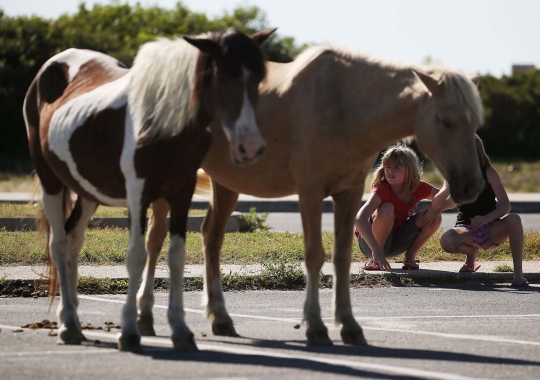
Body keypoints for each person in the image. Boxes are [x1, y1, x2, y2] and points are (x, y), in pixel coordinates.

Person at [434, 135, 529, 287]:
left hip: (491, 228)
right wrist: (446, 188)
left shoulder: (489, 172)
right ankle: (471, 254)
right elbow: (442, 203)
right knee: (447, 241)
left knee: (515, 219)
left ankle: (518, 275)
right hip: (466, 230)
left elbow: (505, 206)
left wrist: (487, 218)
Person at [354, 143, 452, 271]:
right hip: (371, 245)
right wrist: (376, 251)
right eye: (387, 167)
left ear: (409, 170)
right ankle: (376, 260)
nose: (390, 171)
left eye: (397, 168)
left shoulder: (418, 187)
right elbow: (359, 218)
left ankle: (409, 257)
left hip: (396, 241)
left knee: (434, 215)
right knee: (387, 208)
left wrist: (440, 203)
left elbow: (449, 201)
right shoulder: (382, 188)